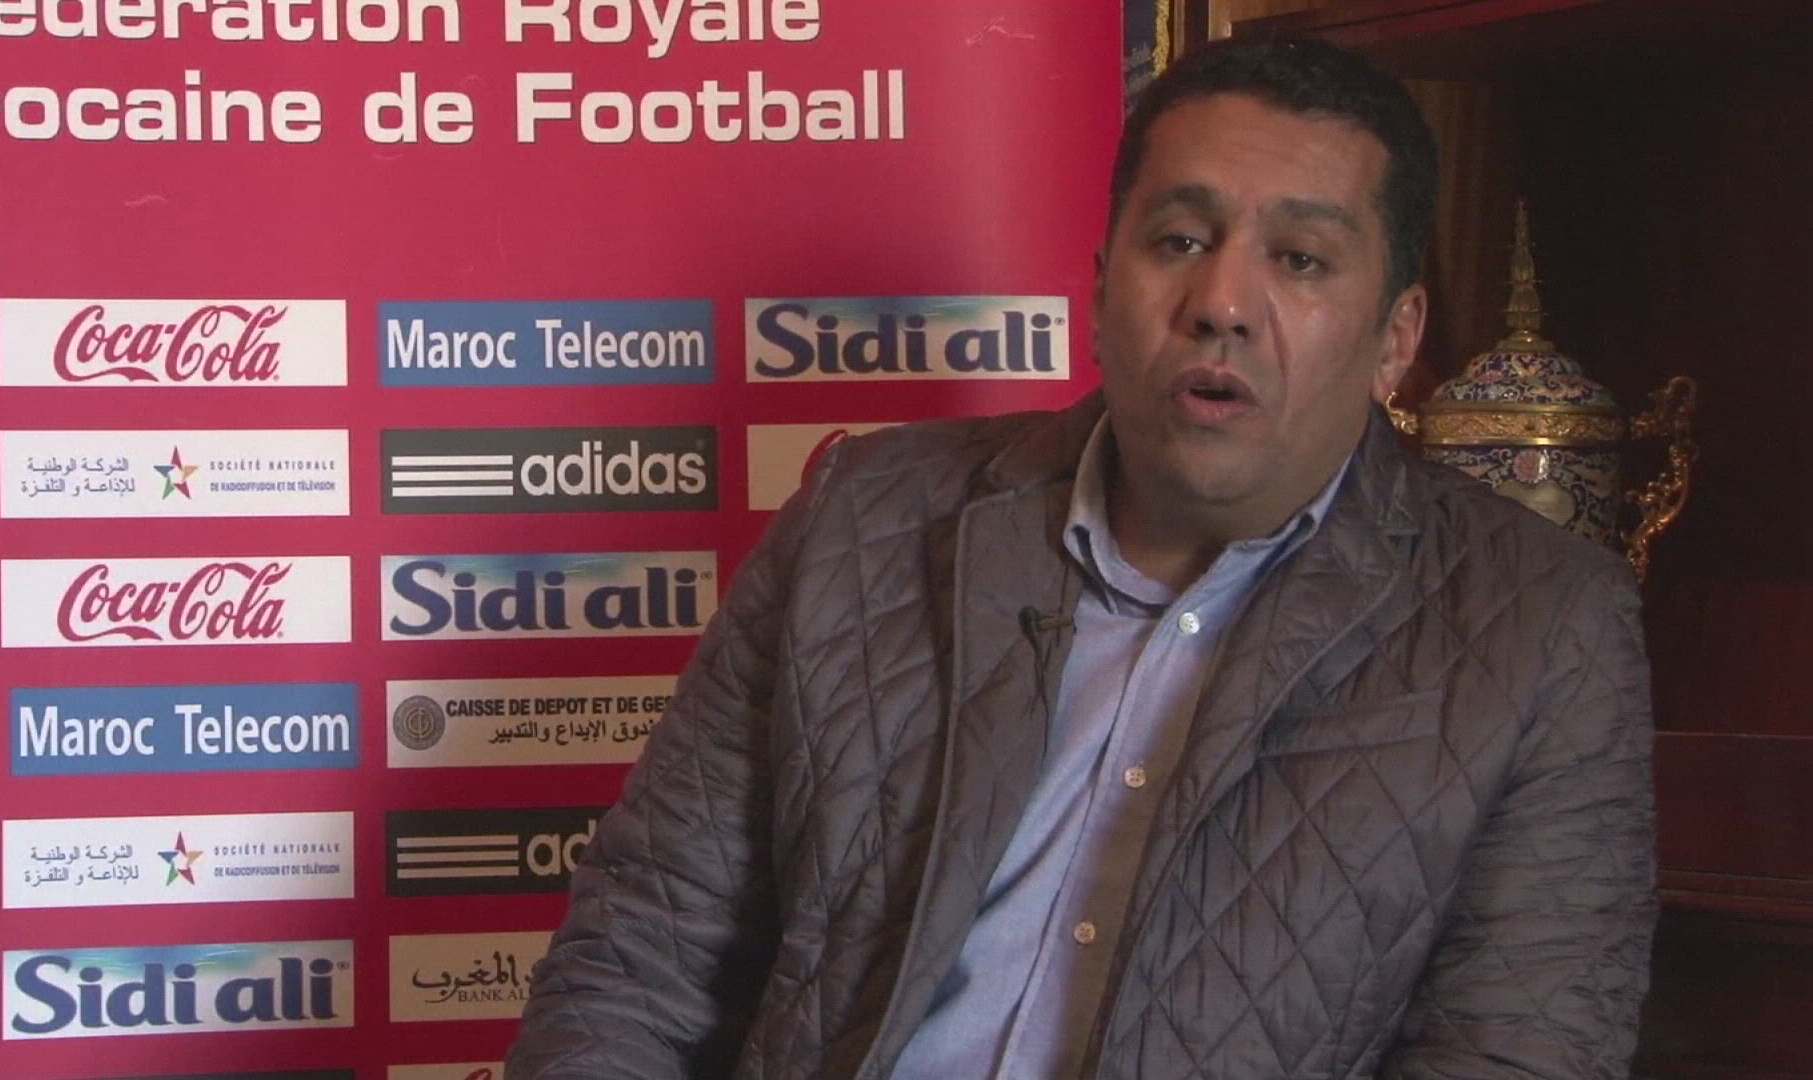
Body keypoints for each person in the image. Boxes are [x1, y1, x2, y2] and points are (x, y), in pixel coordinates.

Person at [506, 33, 1656, 1080]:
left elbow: (1519, 1051)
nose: (1222, 302)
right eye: (1180, 240)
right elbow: (638, 958)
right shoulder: (863, 518)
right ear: (1102, 284)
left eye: (1301, 259)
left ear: (1395, 338)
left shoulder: (1542, 629)